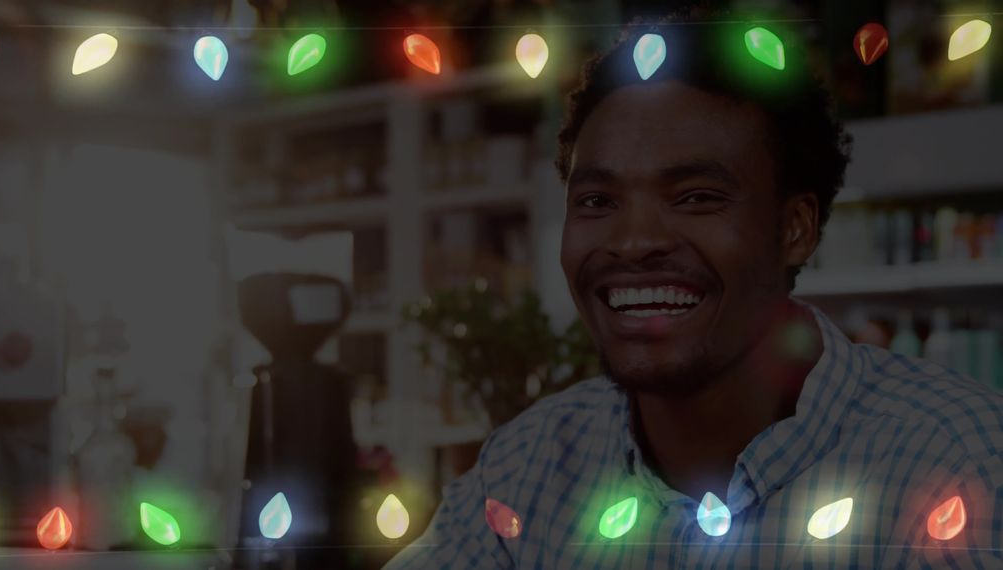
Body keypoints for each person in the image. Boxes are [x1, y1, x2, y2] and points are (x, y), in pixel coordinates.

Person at [384, 16, 1003, 570]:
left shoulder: (962, 464)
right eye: (597, 201)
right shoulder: (527, 469)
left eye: (696, 197)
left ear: (795, 228)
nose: (633, 242)